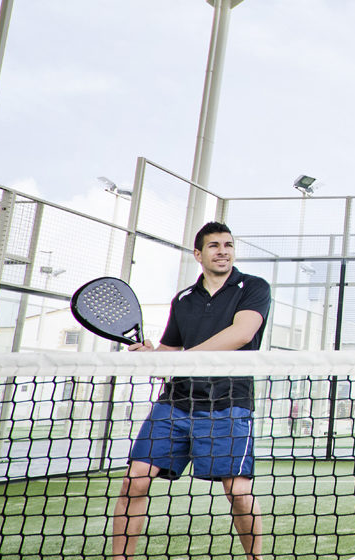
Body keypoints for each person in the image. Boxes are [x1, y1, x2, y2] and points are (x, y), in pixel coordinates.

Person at [110, 221, 272, 560]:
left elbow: (242, 333)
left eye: (228, 244)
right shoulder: (183, 299)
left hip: (228, 402)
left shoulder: (253, 287)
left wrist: (184, 357)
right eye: (214, 246)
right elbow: (171, 350)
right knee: (133, 482)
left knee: (239, 493)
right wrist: (153, 355)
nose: (223, 251)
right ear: (198, 254)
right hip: (176, 402)